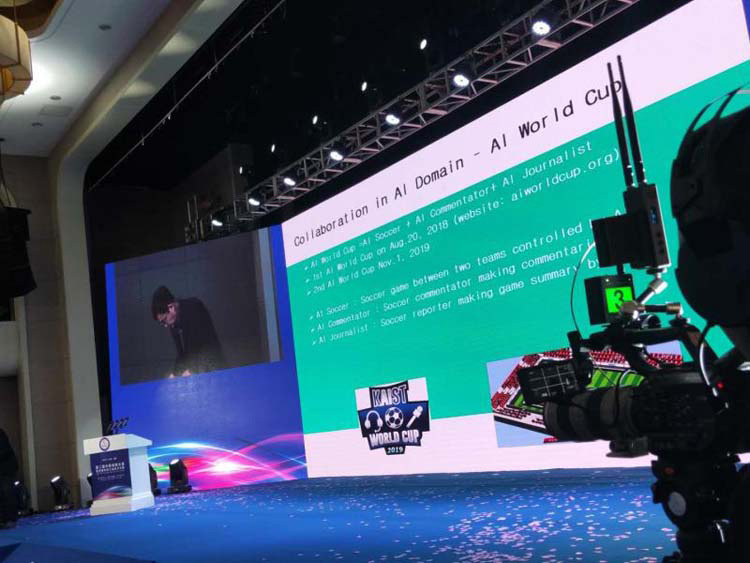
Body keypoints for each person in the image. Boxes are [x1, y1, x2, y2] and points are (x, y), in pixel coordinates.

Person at [151, 286, 226, 377]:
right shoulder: (173, 322)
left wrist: (192, 369)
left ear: (171, 307)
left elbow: (206, 344)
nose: (165, 325)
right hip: (199, 369)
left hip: (214, 368)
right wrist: (175, 374)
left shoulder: (194, 306)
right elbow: (181, 354)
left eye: (164, 320)